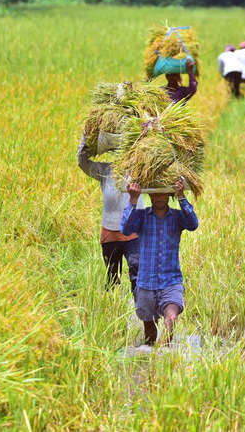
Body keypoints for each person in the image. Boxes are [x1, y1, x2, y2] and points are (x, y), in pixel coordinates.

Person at [120, 178, 198, 346]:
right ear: (150, 195)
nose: (160, 196)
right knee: (149, 331)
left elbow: (193, 224)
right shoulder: (141, 216)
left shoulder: (177, 217)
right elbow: (125, 229)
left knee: (171, 318)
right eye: (156, 193)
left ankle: (163, 353)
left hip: (171, 282)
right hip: (146, 283)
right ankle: (152, 359)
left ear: (170, 194)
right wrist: (133, 200)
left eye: (164, 192)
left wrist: (181, 197)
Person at [77, 134, 143, 293]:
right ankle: (114, 312)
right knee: (112, 279)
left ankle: (140, 312)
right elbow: (82, 162)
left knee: (138, 277)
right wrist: (86, 137)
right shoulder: (105, 171)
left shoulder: (141, 172)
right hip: (110, 235)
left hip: (134, 235)